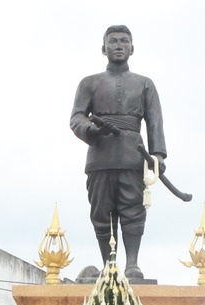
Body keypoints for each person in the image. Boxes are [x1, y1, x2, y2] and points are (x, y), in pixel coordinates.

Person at [69, 23, 167, 278]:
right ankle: (109, 264)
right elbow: (77, 117)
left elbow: (155, 120)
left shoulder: (144, 84)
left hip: (133, 156)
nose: (119, 46)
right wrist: (92, 129)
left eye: (124, 41)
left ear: (132, 48)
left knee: (133, 210)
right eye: (113, 41)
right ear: (104, 48)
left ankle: (132, 263)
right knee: (102, 213)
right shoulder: (89, 83)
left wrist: (157, 155)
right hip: (100, 156)